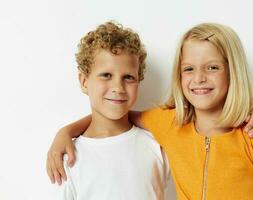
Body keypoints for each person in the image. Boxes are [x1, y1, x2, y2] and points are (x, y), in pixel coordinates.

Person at [47, 23, 253, 199]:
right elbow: (117, 114)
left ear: (233, 72)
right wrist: (66, 132)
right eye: (189, 69)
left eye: (212, 67)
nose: (199, 78)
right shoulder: (171, 124)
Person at [56, 21, 169, 200]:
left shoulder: (157, 144)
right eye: (106, 75)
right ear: (84, 81)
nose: (118, 87)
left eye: (129, 77)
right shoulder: (68, 157)